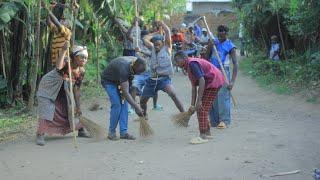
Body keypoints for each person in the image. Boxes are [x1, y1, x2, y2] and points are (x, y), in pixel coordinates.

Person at [36, 44, 89, 146]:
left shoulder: (81, 71)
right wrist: (64, 50)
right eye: (82, 57)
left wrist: (78, 107)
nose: (84, 60)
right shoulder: (66, 62)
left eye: (86, 58)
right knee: (47, 109)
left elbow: (76, 89)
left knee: (69, 109)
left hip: (62, 89)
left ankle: (81, 130)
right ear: (74, 57)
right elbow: (59, 67)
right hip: (48, 87)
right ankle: (40, 134)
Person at [174, 51, 225, 142]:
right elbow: (194, 87)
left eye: (177, 62)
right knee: (201, 108)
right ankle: (207, 133)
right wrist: (192, 105)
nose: (177, 65)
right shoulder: (188, 67)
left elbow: (202, 80)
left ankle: (203, 135)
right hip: (210, 82)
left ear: (184, 59)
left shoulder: (192, 64)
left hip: (213, 81)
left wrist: (199, 100)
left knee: (201, 109)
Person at [140, 21, 185, 117]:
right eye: (155, 44)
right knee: (142, 101)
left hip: (164, 80)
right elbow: (144, 39)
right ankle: (144, 117)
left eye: (158, 44)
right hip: (152, 80)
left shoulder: (167, 48)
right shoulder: (152, 48)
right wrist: (156, 33)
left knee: (173, 94)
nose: (156, 46)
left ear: (163, 43)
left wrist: (162, 24)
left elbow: (168, 32)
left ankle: (184, 115)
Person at [101, 56, 146, 140]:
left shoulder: (134, 64)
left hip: (119, 80)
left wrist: (135, 105)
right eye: (138, 72)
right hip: (109, 81)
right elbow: (125, 92)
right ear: (134, 67)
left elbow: (131, 89)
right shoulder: (124, 69)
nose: (138, 74)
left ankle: (123, 133)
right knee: (117, 104)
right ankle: (111, 133)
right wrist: (136, 107)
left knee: (124, 104)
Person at [207, 25, 238, 129]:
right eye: (219, 31)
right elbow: (206, 58)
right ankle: (214, 121)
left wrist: (232, 81)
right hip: (212, 71)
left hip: (223, 71)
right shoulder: (213, 42)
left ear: (226, 33)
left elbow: (235, 64)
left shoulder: (230, 46)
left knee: (223, 96)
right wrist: (210, 46)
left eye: (223, 32)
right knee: (213, 96)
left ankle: (224, 120)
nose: (221, 34)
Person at [131, 30, 163, 111]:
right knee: (134, 86)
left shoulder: (153, 46)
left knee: (155, 88)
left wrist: (141, 51)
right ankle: (132, 107)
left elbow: (152, 54)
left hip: (150, 72)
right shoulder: (137, 43)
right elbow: (129, 36)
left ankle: (155, 106)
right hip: (139, 72)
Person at [44, 0, 75, 65]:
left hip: (63, 61)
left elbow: (56, 22)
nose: (61, 20)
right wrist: (50, 8)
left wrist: (47, 8)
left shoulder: (67, 32)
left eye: (64, 20)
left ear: (68, 25)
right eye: (61, 19)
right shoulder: (56, 30)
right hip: (57, 62)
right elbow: (48, 22)